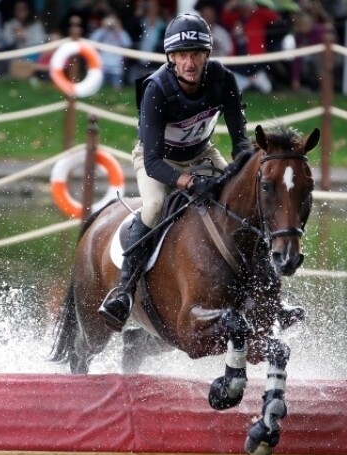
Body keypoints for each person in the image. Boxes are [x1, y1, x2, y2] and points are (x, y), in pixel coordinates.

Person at [98, 13, 252, 332]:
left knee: (244, 203)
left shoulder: (224, 80)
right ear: (171, 58)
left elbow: (241, 143)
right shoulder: (156, 89)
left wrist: (245, 175)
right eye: (182, 55)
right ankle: (124, 293)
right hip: (157, 160)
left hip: (203, 153)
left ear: (207, 56)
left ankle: (268, 289)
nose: (190, 62)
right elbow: (153, 162)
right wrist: (189, 182)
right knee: (154, 207)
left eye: (196, 53)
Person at [88, 12, 132, 89]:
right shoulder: (102, 31)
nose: (111, 23)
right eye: (109, 20)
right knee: (98, 88)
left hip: (116, 66)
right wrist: (103, 28)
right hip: (102, 65)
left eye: (113, 21)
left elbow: (127, 43)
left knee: (117, 89)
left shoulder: (120, 32)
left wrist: (119, 29)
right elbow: (92, 40)